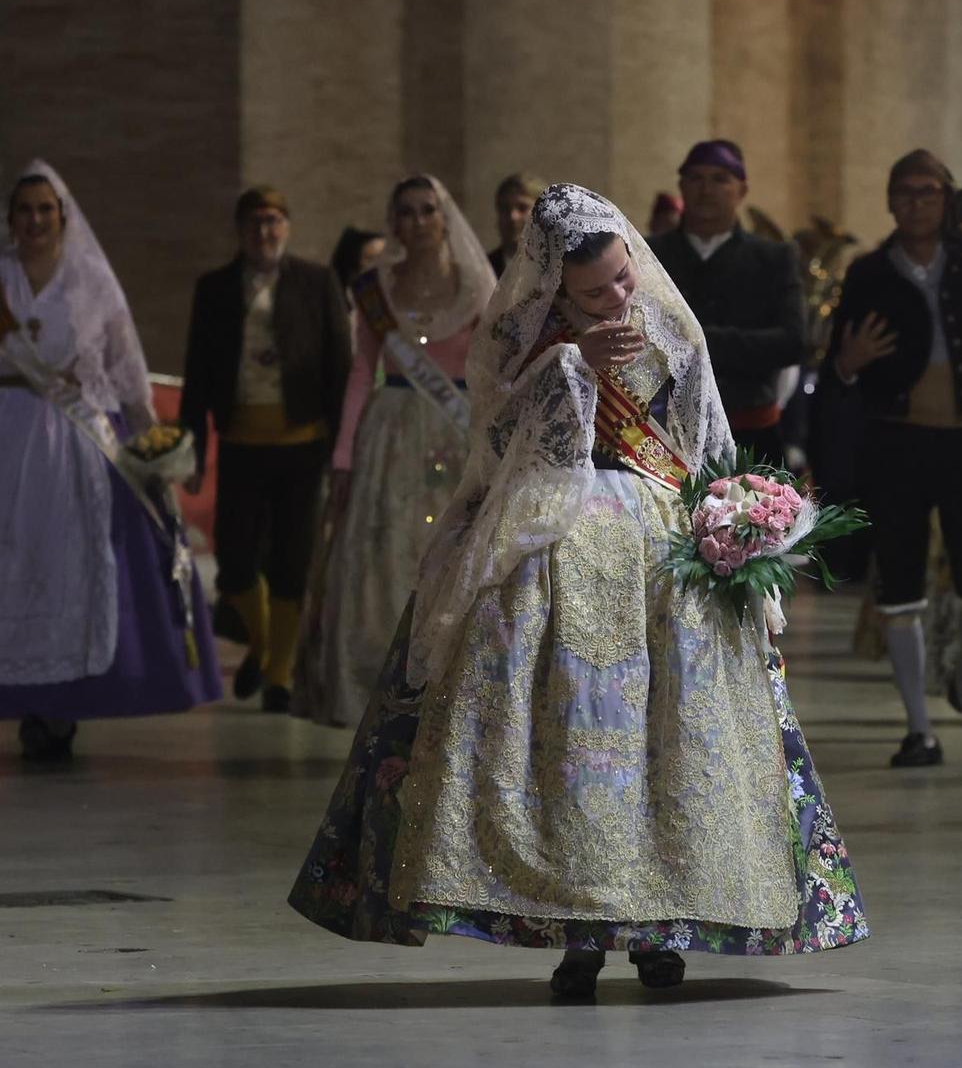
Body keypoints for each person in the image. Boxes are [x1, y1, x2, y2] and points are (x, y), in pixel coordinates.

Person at [288, 182, 867, 999]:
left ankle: (666, 927)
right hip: (550, 527)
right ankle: (577, 933)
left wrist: (741, 530)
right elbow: (493, 437)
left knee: (674, 741)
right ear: (557, 284)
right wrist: (568, 367)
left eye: (622, 279)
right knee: (570, 740)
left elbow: (706, 439)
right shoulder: (524, 333)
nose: (616, 297)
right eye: (593, 291)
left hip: (661, 546)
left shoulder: (668, 322)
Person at [0, 160, 223, 759]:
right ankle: (20, 696)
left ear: (63, 216)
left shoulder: (90, 279)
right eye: (25, 210)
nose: (35, 220)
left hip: (76, 443)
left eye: (45, 210)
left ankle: (62, 701)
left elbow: (124, 365)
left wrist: (150, 438)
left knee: (72, 565)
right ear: (10, 220)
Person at [815, 148, 962, 768]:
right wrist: (847, 364)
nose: (917, 203)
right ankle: (919, 727)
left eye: (928, 192)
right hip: (898, 441)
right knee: (900, 583)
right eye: (906, 192)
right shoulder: (869, 273)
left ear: (945, 200)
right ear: (890, 201)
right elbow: (834, 371)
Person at [301, 175, 496, 728]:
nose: (417, 222)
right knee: (384, 554)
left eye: (427, 211)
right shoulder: (373, 288)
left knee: (449, 551)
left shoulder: (477, 286)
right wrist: (344, 454)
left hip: (456, 432)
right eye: (405, 213)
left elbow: (490, 371)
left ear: (444, 217)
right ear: (394, 224)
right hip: (390, 433)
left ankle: (446, 680)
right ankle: (378, 683)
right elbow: (362, 372)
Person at [179, 186, 352, 710]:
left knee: (291, 558)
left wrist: (342, 448)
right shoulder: (214, 289)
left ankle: (279, 672)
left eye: (275, 221)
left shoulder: (317, 282)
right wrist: (192, 450)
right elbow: (197, 373)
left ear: (288, 227)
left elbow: (339, 368)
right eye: (255, 223)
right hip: (240, 441)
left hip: (302, 442)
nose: (265, 232)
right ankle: (260, 643)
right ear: (240, 230)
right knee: (233, 559)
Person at [649, 140, 808, 466]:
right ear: (681, 186)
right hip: (664, 432)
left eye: (720, 178)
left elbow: (793, 342)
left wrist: (698, 340)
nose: (707, 189)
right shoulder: (649, 255)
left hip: (752, 431)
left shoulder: (775, 258)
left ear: (742, 190)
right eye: (696, 178)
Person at [487, 174, 545, 276]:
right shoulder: (485, 268)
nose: (512, 217)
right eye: (505, 209)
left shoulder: (559, 269)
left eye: (522, 208)